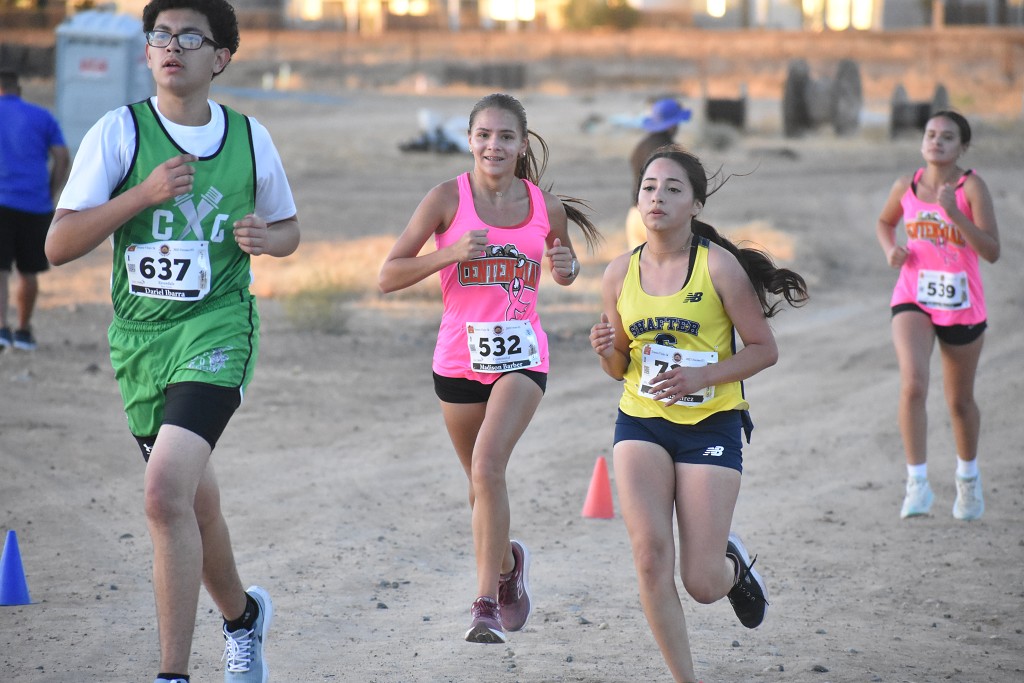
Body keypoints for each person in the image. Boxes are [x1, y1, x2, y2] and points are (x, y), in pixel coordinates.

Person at [46, 1, 299, 681]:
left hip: (217, 328)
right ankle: (244, 618)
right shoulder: (119, 132)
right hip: (140, 343)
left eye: (190, 36)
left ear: (220, 57)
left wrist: (266, 238)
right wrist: (143, 194)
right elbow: (58, 245)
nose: (172, 46)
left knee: (162, 495)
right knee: (195, 504)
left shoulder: (249, 138)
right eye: (160, 34)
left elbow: (289, 230)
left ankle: (172, 673)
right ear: (146, 51)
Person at [379, 92, 601, 644]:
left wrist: (568, 267)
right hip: (458, 358)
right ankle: (508, 566)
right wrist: (449, 254)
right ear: (469, 140)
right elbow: (388, 275)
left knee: (487, 463)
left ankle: (483, 605)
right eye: (483, 135)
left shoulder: (545, 206)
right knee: (480, 484)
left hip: (522, 356)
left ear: (522, 144)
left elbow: (563, 266)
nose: (493, 145)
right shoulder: (445, 199)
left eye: (505, 136)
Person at [589, 146, 807, 683]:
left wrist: (702, 377)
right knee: (649, 557)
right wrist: (605, 350)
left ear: (696, 204)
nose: (657, 197)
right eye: (648, 188)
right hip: (641, 421)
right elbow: (619, 368)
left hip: (711, 424)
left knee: (702, 583)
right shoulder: (618, 273)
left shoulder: (718, 267)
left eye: (672, 189)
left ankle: (731, 567)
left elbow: (764, 349)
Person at [875, 110, 999, 521]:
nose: (936, 142)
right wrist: (890, 249)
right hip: (913, 295)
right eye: (931, 134)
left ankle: (968, 479)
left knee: (959, 401)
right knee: (913, 384)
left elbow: (992, 251)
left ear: (962, 146)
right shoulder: (907, 185)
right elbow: (885, 222)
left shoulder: (971, 187)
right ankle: (917, 483)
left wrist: (955, 213)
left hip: (961, 303)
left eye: (947, 137)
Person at [0, 69, 70, 351]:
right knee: (29, 271)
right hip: (35, 204)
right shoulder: (42, 116)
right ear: (18, 89)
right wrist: (51, 192)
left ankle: (1, 328)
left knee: (0, 269)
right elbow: (62, 156)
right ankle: (23, 331)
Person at [625, 97, 691, 249]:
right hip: (659, 217)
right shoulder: (672, 151)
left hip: (635, 215)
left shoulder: (641, 146)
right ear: (671, 125)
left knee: (638, 264)